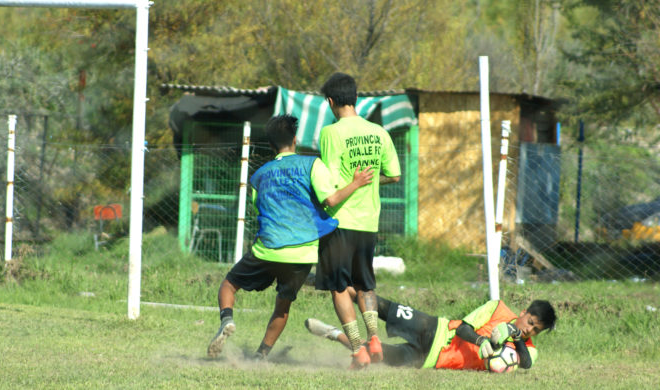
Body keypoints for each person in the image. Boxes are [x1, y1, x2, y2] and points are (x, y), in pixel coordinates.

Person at [207, 114, 374, 360]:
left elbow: (259, 208)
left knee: (229, 285)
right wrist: (356, 183)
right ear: (295, 139)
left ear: (272, 145)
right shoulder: (312, 165)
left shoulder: (260, 175)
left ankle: (227, 320)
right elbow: (330, 199)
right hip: (302, 252)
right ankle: (261, 354)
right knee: (283, 305)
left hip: (269, 248)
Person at [315, 72, 402, 368]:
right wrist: (369, 181)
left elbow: (327, 180)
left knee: (339, 288)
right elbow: (395, 174)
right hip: (368, 222)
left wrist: (353, 184)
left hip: (340, 222)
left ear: (330, 101)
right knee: (364, 284)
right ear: (355, 98)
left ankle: (357, 350)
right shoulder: (379, 132)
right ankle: (374, 338)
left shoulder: (331, 133)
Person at [305, 288, 556, 371]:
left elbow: (525, 364)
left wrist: (515, 335)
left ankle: (334, 333)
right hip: (433, 329)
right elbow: (463, 329)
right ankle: (342, 285)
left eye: (535, 331)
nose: (529, 330)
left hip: (428, 361)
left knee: (376, 355)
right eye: (530, 322)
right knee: (382, 306)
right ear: (524, 312)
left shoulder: (528, 350)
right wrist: (481, 342)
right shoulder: (497, 307)